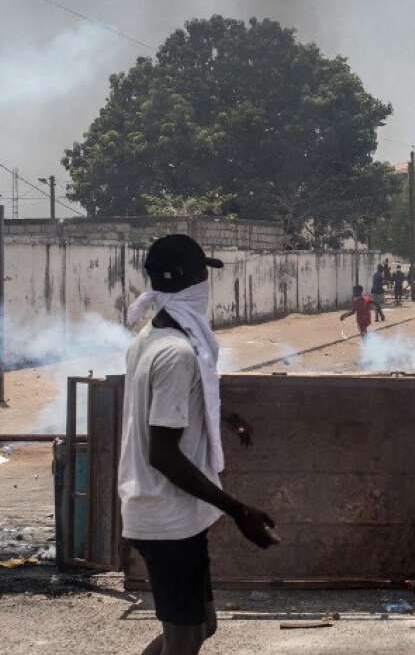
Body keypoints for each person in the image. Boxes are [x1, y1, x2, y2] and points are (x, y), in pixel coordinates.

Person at [120, 234, 279, 655]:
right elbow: (163, 453)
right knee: (185, 638)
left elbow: (174, 402)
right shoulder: (175, 353)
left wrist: (221, 415)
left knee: (202, 626)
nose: (208, 282)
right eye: (204, 274)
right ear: (191, 283)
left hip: (173, 516)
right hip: (166, 519)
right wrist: (238, 510)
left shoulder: (151, 339)